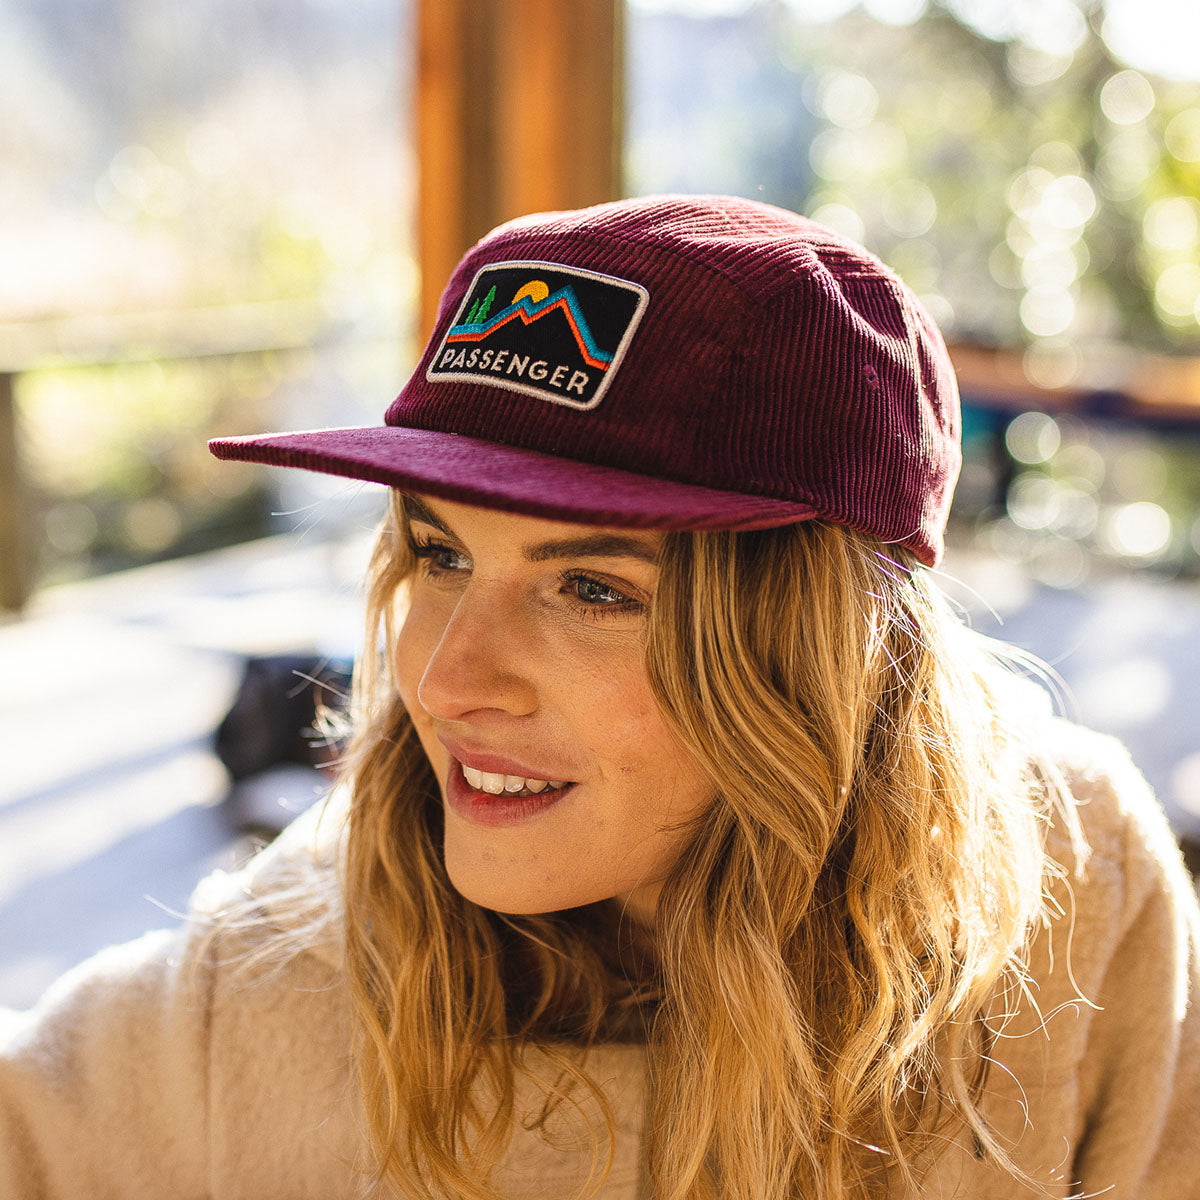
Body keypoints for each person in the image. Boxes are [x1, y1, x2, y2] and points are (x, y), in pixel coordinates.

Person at [2, 195, 1198, 1199]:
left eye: (591, 588)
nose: (444, 680)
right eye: (440, 553)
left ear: (824, 653)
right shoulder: (262, 995)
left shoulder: (1077, 882)